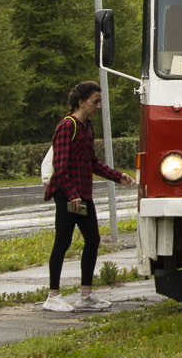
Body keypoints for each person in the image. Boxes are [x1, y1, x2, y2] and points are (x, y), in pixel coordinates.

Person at [44, 81, 133, 312]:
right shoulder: (67, 126)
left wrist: (118, 176)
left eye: (99, 101)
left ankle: (86, 295)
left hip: (83, 194)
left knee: (93, 240)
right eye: (95, 101)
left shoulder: (87, 127)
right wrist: (72, 194)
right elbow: (60, 166)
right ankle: (53, 296)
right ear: (81, 102)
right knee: (62, 242)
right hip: (67, 195)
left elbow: (92, 162)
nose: (98, 106)